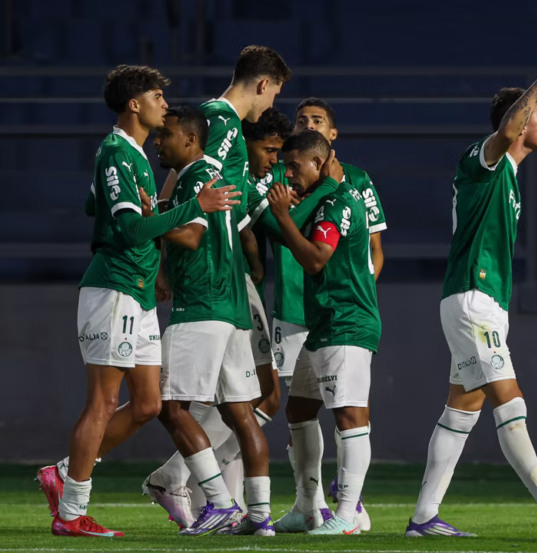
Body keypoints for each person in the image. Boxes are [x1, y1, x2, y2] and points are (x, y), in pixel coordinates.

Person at [405, 30, 537, 539]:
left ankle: (424, 517)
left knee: (463, 407)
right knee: (509, 400)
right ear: (517, 124)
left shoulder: (510, 175)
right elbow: (509, 124)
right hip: (474, 301)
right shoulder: (484, 160)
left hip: (477, 302)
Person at [37, 65, 240, 538]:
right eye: (156, 96)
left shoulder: (129, 156)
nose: (163, 105)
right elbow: (127, 229)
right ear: (135, 105)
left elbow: (96, 205)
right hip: (114, 288)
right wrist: (195, 206)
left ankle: (65, 472)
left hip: (138, 292)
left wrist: (140, 209)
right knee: (104, 401)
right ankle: (71, 512)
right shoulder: (116, 154)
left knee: (149, 404)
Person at [150, 45, 291, 537]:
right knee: (241, 409)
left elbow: (193, 185)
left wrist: (157, 220)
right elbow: (199, 188)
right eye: (274, 90)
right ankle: (257, 516)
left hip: (208, 286)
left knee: (170, 404)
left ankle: (217, 502)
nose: (269, 103)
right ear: (262, 82)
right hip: (228, 289)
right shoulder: (222, 120)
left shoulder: (217, 123)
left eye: (167, 136)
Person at [272, 98, 386, 533]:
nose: (288, 174)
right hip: (321, 323)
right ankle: (307, 507)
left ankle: (348, 516)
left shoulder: (337, 201)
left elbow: (317, 259)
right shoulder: (319, 198)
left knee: (350, 415)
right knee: (299, 410)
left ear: (319, 163)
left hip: (345, 322)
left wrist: (282, 216)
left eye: (295, 167)